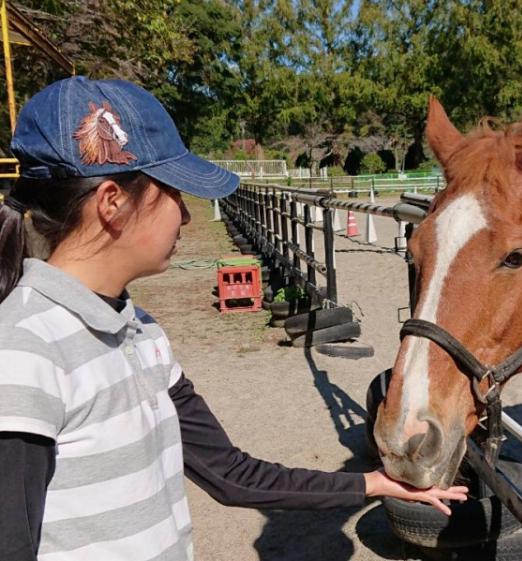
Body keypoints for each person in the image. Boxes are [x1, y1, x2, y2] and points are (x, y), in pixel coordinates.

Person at [0, 77, 467, 561]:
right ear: (112, 202)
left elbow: (230, 474)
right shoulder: (22, 352)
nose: (184, 215)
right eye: (173, 194)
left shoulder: (140, 331)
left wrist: (374, 484)